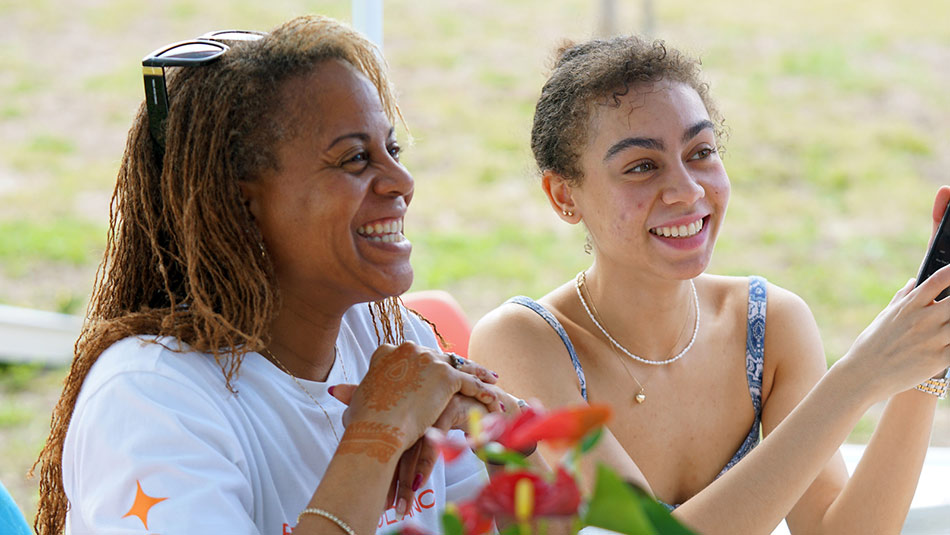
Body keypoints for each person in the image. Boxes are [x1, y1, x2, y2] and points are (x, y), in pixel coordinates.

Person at [32, 15, 515, 535]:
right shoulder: (150, 400)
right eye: (355, 158)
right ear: (240, 199)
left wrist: (510, 438)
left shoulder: (395, 343)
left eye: (391, 150)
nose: (402, 181)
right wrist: (378, 433)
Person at [469, 35, 950, 535]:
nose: (687, 189)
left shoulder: (770, 324)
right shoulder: (519, 341)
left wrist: (927, 351)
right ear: (564, 195)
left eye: (700, 152)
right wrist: (855, 381)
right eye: (641, 166)